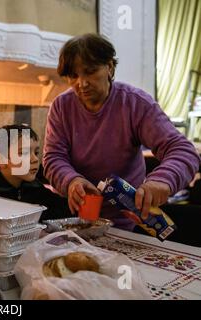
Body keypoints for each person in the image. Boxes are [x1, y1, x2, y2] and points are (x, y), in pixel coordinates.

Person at [42, 33, 200, 230]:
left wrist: (162, 180)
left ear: (109, 67)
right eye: (73, 76)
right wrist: (71, 180)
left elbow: (182, 150)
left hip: (127, 223)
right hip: (74, 218)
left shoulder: (136, 103)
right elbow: (53, 157)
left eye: (90, 72)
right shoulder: (61, 106)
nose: (81, 84)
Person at [0, 124, 72, 221]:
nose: (35, 159)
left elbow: (66, 210)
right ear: (1, 160)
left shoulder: (36, 188)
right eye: (24, 153)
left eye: (36, 152)